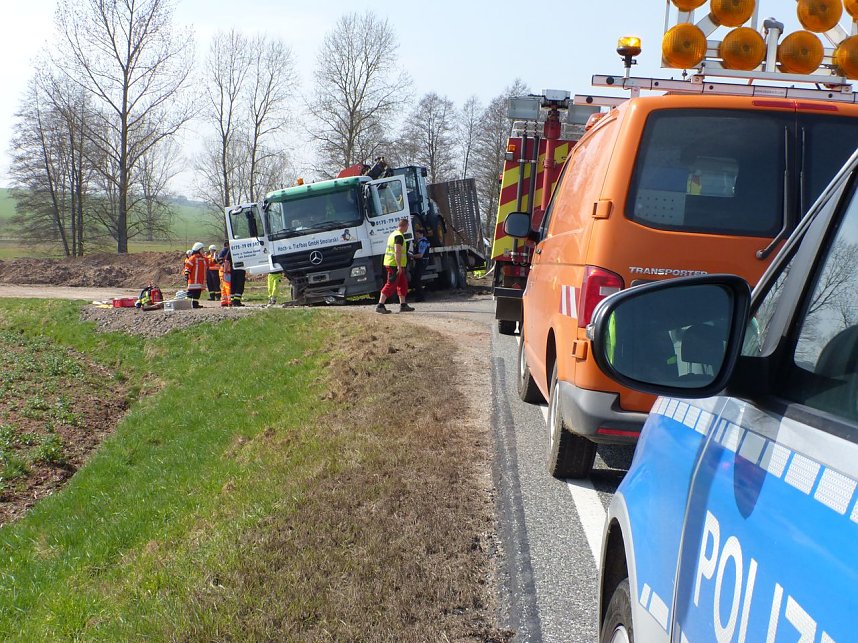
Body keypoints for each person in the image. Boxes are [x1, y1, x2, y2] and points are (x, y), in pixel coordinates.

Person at [376, 217, 414, 314]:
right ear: (404, 226)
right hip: (394, 264)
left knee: (402, 284)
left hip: (394, 263)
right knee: (391, 284)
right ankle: (380, 305)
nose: (407, 229)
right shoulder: (399, 236)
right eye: (407, 226)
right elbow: (397, 251)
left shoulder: (393, 234)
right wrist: (399, 266)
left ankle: (403, 305)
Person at [218, 240, 246, 306]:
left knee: (233, 285)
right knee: (239, 285)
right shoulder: (242, 249)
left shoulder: (231, 250)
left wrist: (225, 270)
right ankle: (236, 301)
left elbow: (227, 261)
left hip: (232, 270)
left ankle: (233, 301)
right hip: (240, 269)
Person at [409, 228, 431, 302]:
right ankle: (419, 295)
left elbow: (420, 255)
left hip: (422, 261)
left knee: (417, 279)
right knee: (415, 278)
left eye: (417, 234)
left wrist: (412, 256)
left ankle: (420, 297)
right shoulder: (420, 241)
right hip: (420, 262)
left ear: (421, 234)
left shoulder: (422, 242)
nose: (416, 235)